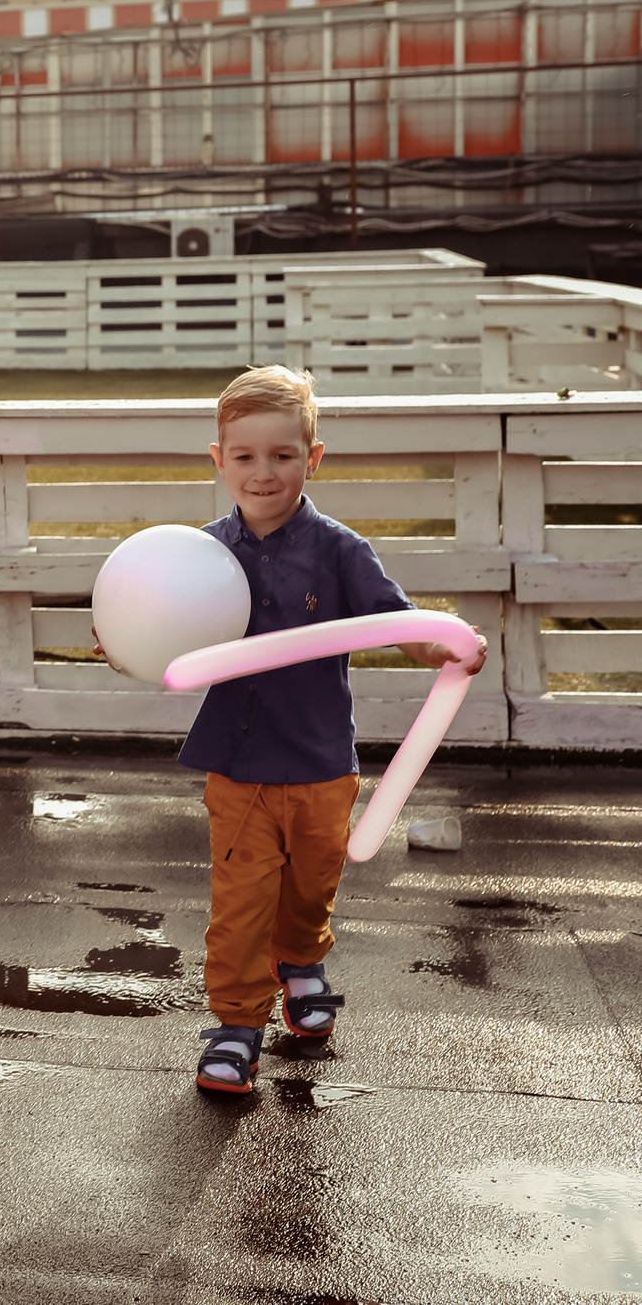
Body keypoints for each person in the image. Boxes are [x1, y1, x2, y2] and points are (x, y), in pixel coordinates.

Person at [163, 367, 486, 1094]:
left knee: (309, 890)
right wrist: (127, 628)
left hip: (318, 763)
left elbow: (398, 624)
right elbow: (160, 621)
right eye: (244, 456)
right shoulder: (205, 555)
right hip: (239, 764)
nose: (263, 471)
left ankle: (301, 962)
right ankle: (236, 1027)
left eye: (282, 454)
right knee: (239, 904)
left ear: (313, 457)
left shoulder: (340, 550)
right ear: (219, 461)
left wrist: (442, 643)